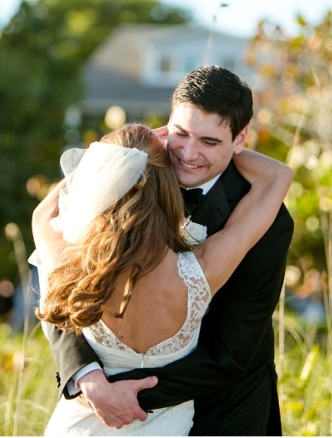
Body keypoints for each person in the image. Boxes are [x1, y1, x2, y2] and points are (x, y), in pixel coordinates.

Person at [45, 66, 295, 435]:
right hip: (102, 404)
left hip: (226, 412)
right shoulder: (123, 186)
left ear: (240, 138)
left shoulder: (267, 218)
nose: (189, 154)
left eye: (209, 142)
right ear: (167, 124)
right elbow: (66, 290)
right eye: (180, 134)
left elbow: (231, 354)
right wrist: (87, 379)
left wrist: (122, 397)